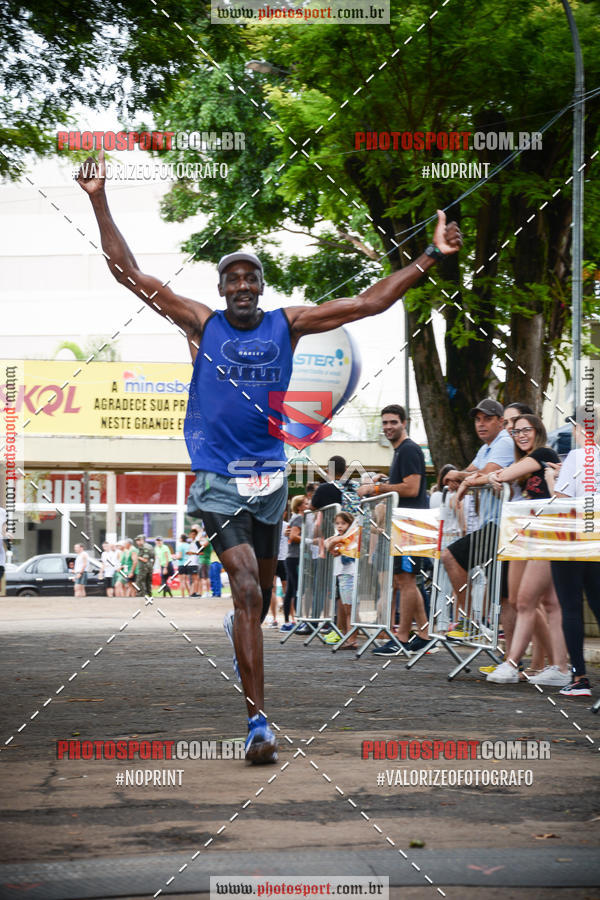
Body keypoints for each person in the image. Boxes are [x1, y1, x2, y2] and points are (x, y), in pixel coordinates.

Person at [77, 148, 462, 763]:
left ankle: (246, 635)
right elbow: (128, 272)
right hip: (217, 478)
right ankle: (258, 722)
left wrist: (431, 258)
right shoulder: (201, 324)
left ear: (261, 287)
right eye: (232, 278)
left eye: (251, 278)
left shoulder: (290, 322)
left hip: (270, 481)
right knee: (250, 591)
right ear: (221, 289)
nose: (242, 286)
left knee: (253, 600)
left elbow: (369, 303)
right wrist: (98, 198)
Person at [486, 415, 569, 686]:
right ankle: (559, 667)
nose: (520, 435)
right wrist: (496, 477)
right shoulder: (526, 468)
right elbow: (507, 476)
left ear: (538, 432)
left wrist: (492, 476)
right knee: (547, 604)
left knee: (525, 600)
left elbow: (504, 474)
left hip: (548, 535)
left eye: (526, 430)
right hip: (528, 537)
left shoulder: (543, 455)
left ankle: (513, 662)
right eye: (516, 431)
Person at [358, 405, 431, 656]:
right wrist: (383, 481)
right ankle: (423, 634)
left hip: (409, 525)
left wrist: (375, 490)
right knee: (405, 581)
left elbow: (411, 488)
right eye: (385, 423)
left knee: (405, 581)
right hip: (404, 524)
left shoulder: (409, 449)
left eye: (393, 422)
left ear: (405, 422)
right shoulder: (402, 451)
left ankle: (401, 639)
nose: (388, 427)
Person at [440, 399, 515, 640]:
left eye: (487, 419)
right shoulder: (485, 448)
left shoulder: (504, 442)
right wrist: (458, 479)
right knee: (504, 597)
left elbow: (482, 474)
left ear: (501, 422)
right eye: (477, 419)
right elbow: (471, 472)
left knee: (450, 556)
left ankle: (469, 621)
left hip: (502, 525)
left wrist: (460, 477)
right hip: (493, 525)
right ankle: (511, 661)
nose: (481, 424)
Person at [550, 405, 600, 697]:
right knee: (596, 602)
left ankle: (579, 677)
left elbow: (561, 499)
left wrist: (551, 479)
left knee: (571, 607)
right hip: (597, 541)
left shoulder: (577, 457)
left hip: (572, 540)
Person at [323, 511, 357, 649]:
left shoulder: (353, 539)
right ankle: (349, 637)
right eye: (337, 523)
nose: (340, 526)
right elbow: (329, 547)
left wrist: (338, 542)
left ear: (350, 524)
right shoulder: (336, 538)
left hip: (350, 575)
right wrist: (335, 542)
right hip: (342, 576)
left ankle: (351, 639)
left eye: (343, 523)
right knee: (346, 608)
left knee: (350, 610)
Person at [281, 495, 309, 631]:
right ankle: (298, 620)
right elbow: (293, 536)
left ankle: (288, 621)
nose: (308, 504)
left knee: (291, 589)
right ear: (299, 506)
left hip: (293, 557)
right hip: (295, 557)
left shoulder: (297, 518)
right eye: (305, 503)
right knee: (297, 589)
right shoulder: (298, 518)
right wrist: (309, 540)